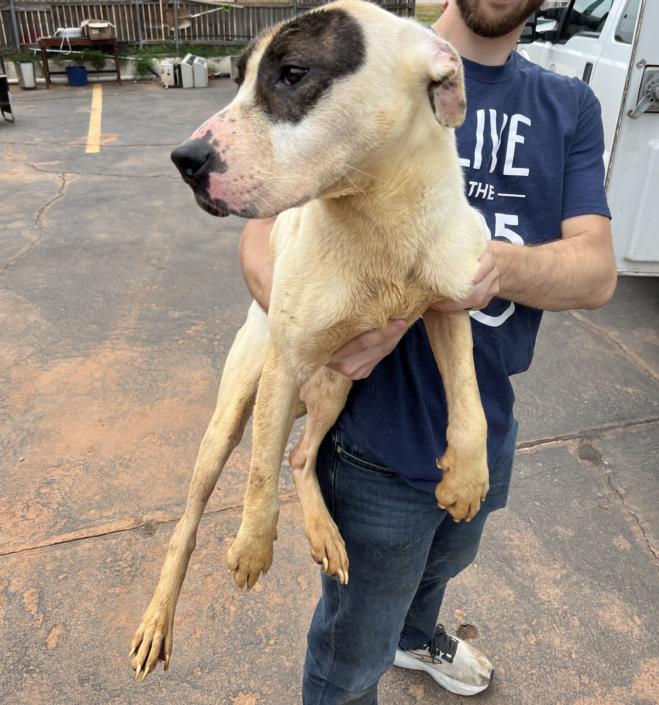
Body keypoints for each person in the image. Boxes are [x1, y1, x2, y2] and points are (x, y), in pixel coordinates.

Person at [239, 0, 617, 702]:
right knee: (349, 656)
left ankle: (415, 638)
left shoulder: (566, 104)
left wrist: (487, 268)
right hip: (372, 447)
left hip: (484, 424)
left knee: (442, 565)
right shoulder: (366, 63)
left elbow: (596, 272)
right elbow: (262, 228)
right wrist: (309, 336)